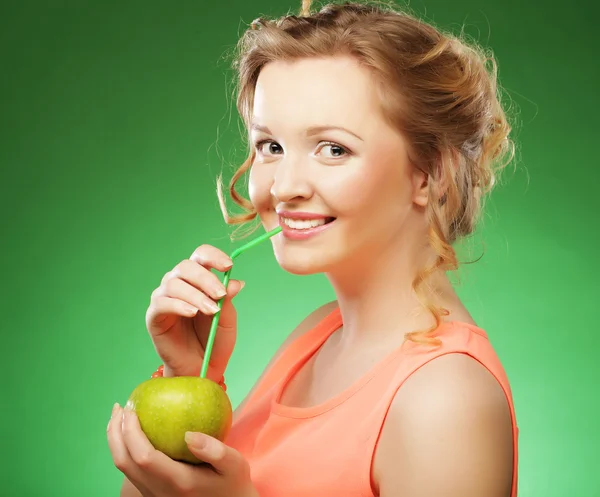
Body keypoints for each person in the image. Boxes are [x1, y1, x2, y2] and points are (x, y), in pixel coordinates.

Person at [107, 1, 519, 496]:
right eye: (270, 147)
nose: (283, 187)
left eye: (333, 149)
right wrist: (191, 379)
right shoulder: (319, 337)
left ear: (430, 173)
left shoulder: (447, 397)